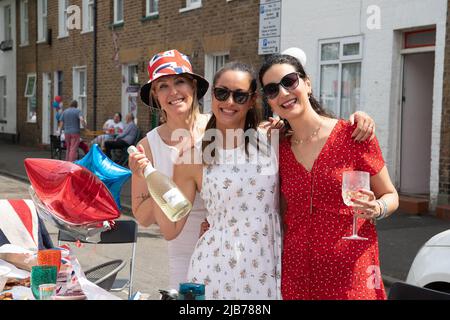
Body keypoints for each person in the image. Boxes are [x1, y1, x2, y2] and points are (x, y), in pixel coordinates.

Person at [129, 49, 376, 293]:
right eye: (222, 93)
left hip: (268, 267)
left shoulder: (273, 139)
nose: (229, 102)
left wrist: (354, 122)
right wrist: (152, 177)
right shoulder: (187, 155)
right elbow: (169, 229)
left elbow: (311, 135)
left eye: (239, 96)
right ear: (213, 96)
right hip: (213, 269)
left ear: (253, 99)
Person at [259, 54, 399, 300]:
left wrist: (377, 207)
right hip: (298, 277)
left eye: (289, 81)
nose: (283, 93)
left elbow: (391, 195)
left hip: (351, 277)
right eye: (272, 89)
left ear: (307, 84)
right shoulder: (277, 148)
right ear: (269, 101)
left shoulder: (353, 136)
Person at [129, 49, 210, 290]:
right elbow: (142, 218)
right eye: (163, 86)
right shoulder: (148, 146)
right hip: (182, 256)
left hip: (225, 249)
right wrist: (146, 177)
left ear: (193, 86)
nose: (173, 92)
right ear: (155, 95)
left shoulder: (219, 129)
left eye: (180, 81)